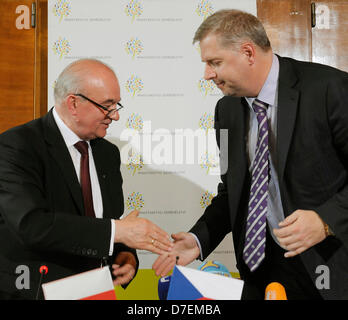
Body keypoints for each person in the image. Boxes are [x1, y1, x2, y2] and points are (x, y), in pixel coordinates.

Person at [153, 9, 348, 299]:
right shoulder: (226, 110)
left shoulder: (329, 89)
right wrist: (198, 240)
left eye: (214, 62)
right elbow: (233, 192)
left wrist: (325, 220)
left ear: (248, 52)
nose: (207, 74)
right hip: (262, 272)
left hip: (331, 266)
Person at [0, 59, 173, 299]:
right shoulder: (17, 146)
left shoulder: (108, 154)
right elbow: (31, 225)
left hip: (95, 291)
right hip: (35, 291)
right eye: (107, 106)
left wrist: (124, 253)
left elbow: (107, 220)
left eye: (116, 105)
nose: (115, 116)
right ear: (73, 103)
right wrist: (117, 232)